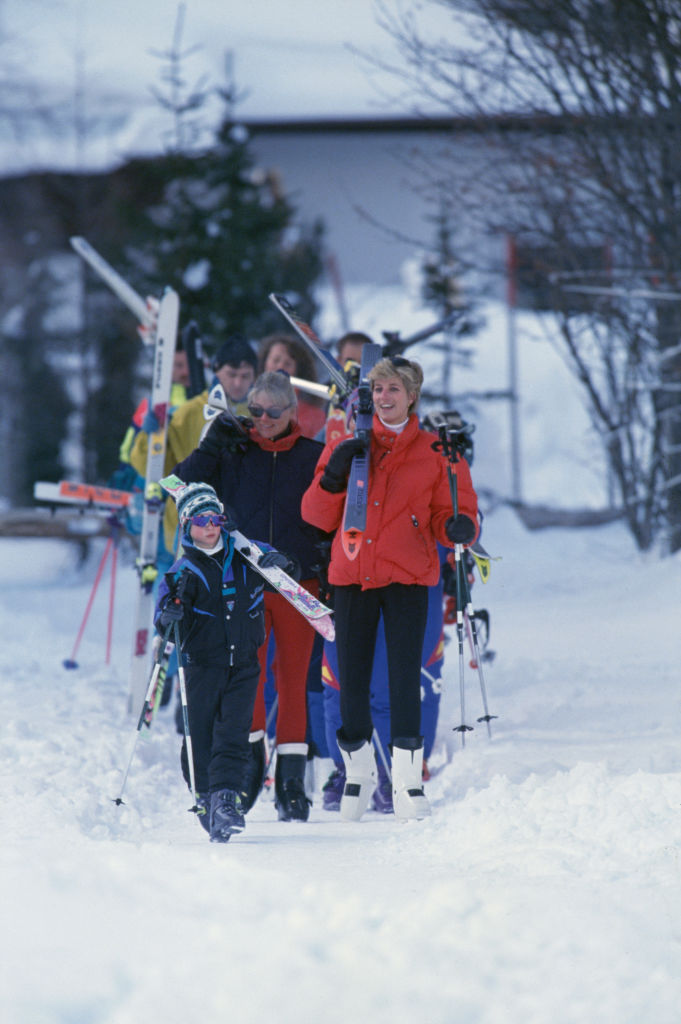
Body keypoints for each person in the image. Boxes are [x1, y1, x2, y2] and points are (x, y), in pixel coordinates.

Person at [301, 355, 479, 822]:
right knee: (351, 682)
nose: (384, 398)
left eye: (393, 390)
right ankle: (357, 773)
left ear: (412, 395)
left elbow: (452, 513)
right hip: (352, 576)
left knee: (405, 682)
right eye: (378, 390)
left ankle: (407, 782)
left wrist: (458, 527)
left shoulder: (436, 451)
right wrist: (334, 476)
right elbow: (315, 517)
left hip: (408, 578)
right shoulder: (347, 442)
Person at [173, 370, 324, 822]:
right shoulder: (235, 452)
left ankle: (292, 781)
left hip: (298, 585)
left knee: (294, 678)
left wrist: (321, 562)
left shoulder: (313, 455)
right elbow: (178, 490)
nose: (262, 420)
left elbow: (330, 517)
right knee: (248, 677)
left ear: (292, 412)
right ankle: (247, 771)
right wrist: (209, 447)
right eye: (254, 411)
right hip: (244, 584)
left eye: (273, 413)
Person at [155, 479, 294, 843]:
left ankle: (226, 800)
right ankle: (204, 795)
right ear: (187, 526)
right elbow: (164, 609)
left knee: (234, 734)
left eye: (215, 518)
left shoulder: (246, 553)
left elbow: (279, 568)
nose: (210, 527)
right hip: (201, 665)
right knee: (200, 735)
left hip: (245, 663)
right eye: (201, 521)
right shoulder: (183, 571)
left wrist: (280, 563)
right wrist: (167, 615)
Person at [258, 333, 327, 439]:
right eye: (276, 360)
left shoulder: (314, 415)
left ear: (297, 371)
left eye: (288, 363)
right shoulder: (248, 403)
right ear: (264, 363)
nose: (280, 366)